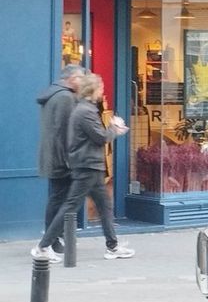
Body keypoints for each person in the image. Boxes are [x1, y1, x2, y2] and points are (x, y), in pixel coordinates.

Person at [32, 73, 134, 262]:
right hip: (87, 166)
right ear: (93, 90)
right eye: (100, 88)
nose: (102, 91)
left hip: (89, 166)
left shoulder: (84, 109)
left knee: (104, 206)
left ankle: (112, 246)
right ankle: (43, 246)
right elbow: (100, 137)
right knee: (70, 206)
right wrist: (114, 127)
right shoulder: (85, 111)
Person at [36, 64, 85, 254]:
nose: (82, 82)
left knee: (58, 197)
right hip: (61, 158)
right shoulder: (65, 97)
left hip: (52, 155)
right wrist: (70, 159)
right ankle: (51, 241)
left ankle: (55, 238)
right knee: (60, 198)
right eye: (80, 78)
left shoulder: (53, 94)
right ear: (71, 79)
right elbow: (66, 132)